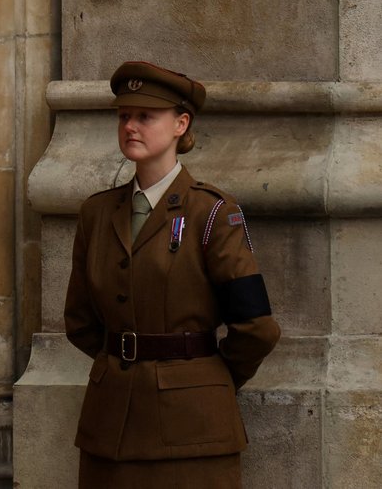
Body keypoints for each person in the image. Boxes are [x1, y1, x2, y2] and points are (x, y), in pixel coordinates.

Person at [63, 61, 281, 488]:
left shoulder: (214, 213)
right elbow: (80, 321)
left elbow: (257, 328)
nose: (131, 126)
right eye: (124, 116)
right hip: (111, 435)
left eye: (146, 116)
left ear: (181, 124)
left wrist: (203, 381)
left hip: (193, 434)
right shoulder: (97, 213)